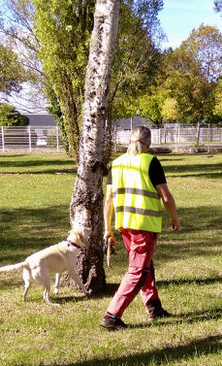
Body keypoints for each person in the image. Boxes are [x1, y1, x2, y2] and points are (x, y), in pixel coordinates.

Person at [100, 126, 181, 330]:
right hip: (144, 225)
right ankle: (112, 315)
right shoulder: (150, 161)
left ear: (129, 141)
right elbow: (165, 196)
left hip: (125, 225)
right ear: (149, 145)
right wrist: (174, 217)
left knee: (144, 266)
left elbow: (108, 199)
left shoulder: (116, 164)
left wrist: (107, 228)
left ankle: (154, 308)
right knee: (138, 270)